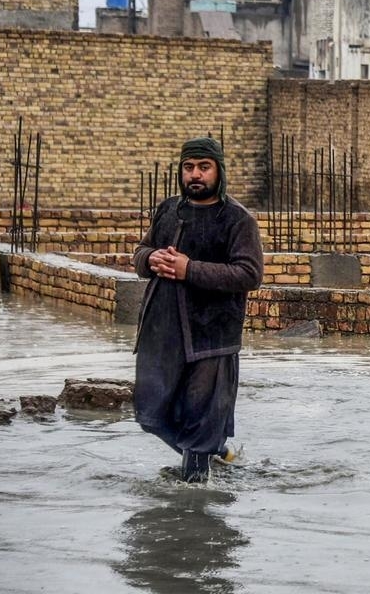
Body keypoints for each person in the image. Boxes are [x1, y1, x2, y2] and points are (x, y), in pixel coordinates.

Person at [132, 137, 264, 482]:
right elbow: (142, 250)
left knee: (200, 419)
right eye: (188, 167)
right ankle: (219, 452)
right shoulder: (168, 209)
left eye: (204, 167)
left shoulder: (237, 219)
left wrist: (189, 269)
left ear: (219, 171)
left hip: (211, 336)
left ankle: (194, 505)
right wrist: (150, 258)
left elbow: (249, 274)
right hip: (163, 331)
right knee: (150, 414)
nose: (195, 175)